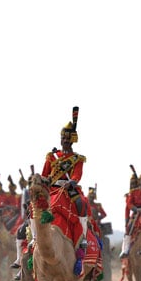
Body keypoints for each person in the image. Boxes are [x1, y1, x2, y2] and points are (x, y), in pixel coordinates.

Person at [41, 106, 88, 263]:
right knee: (33, 207)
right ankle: (33, 240)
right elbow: (44, 174)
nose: (65, 142)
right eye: (63, 139)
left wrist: (72, 181)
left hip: (69, 189)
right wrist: (45, 182)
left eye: (68, 139)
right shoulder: (52, 156)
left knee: (81, 203)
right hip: (52, 189)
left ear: (72, 141)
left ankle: (83, 238)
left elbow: (77, 174)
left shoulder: (77, 158)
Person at [120, 165, 141, 259]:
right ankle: (125, 250)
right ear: (139, 181)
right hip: (136, 214)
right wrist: (136, 209)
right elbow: (129, 204)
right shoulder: (134, 192)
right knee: (129, 228)